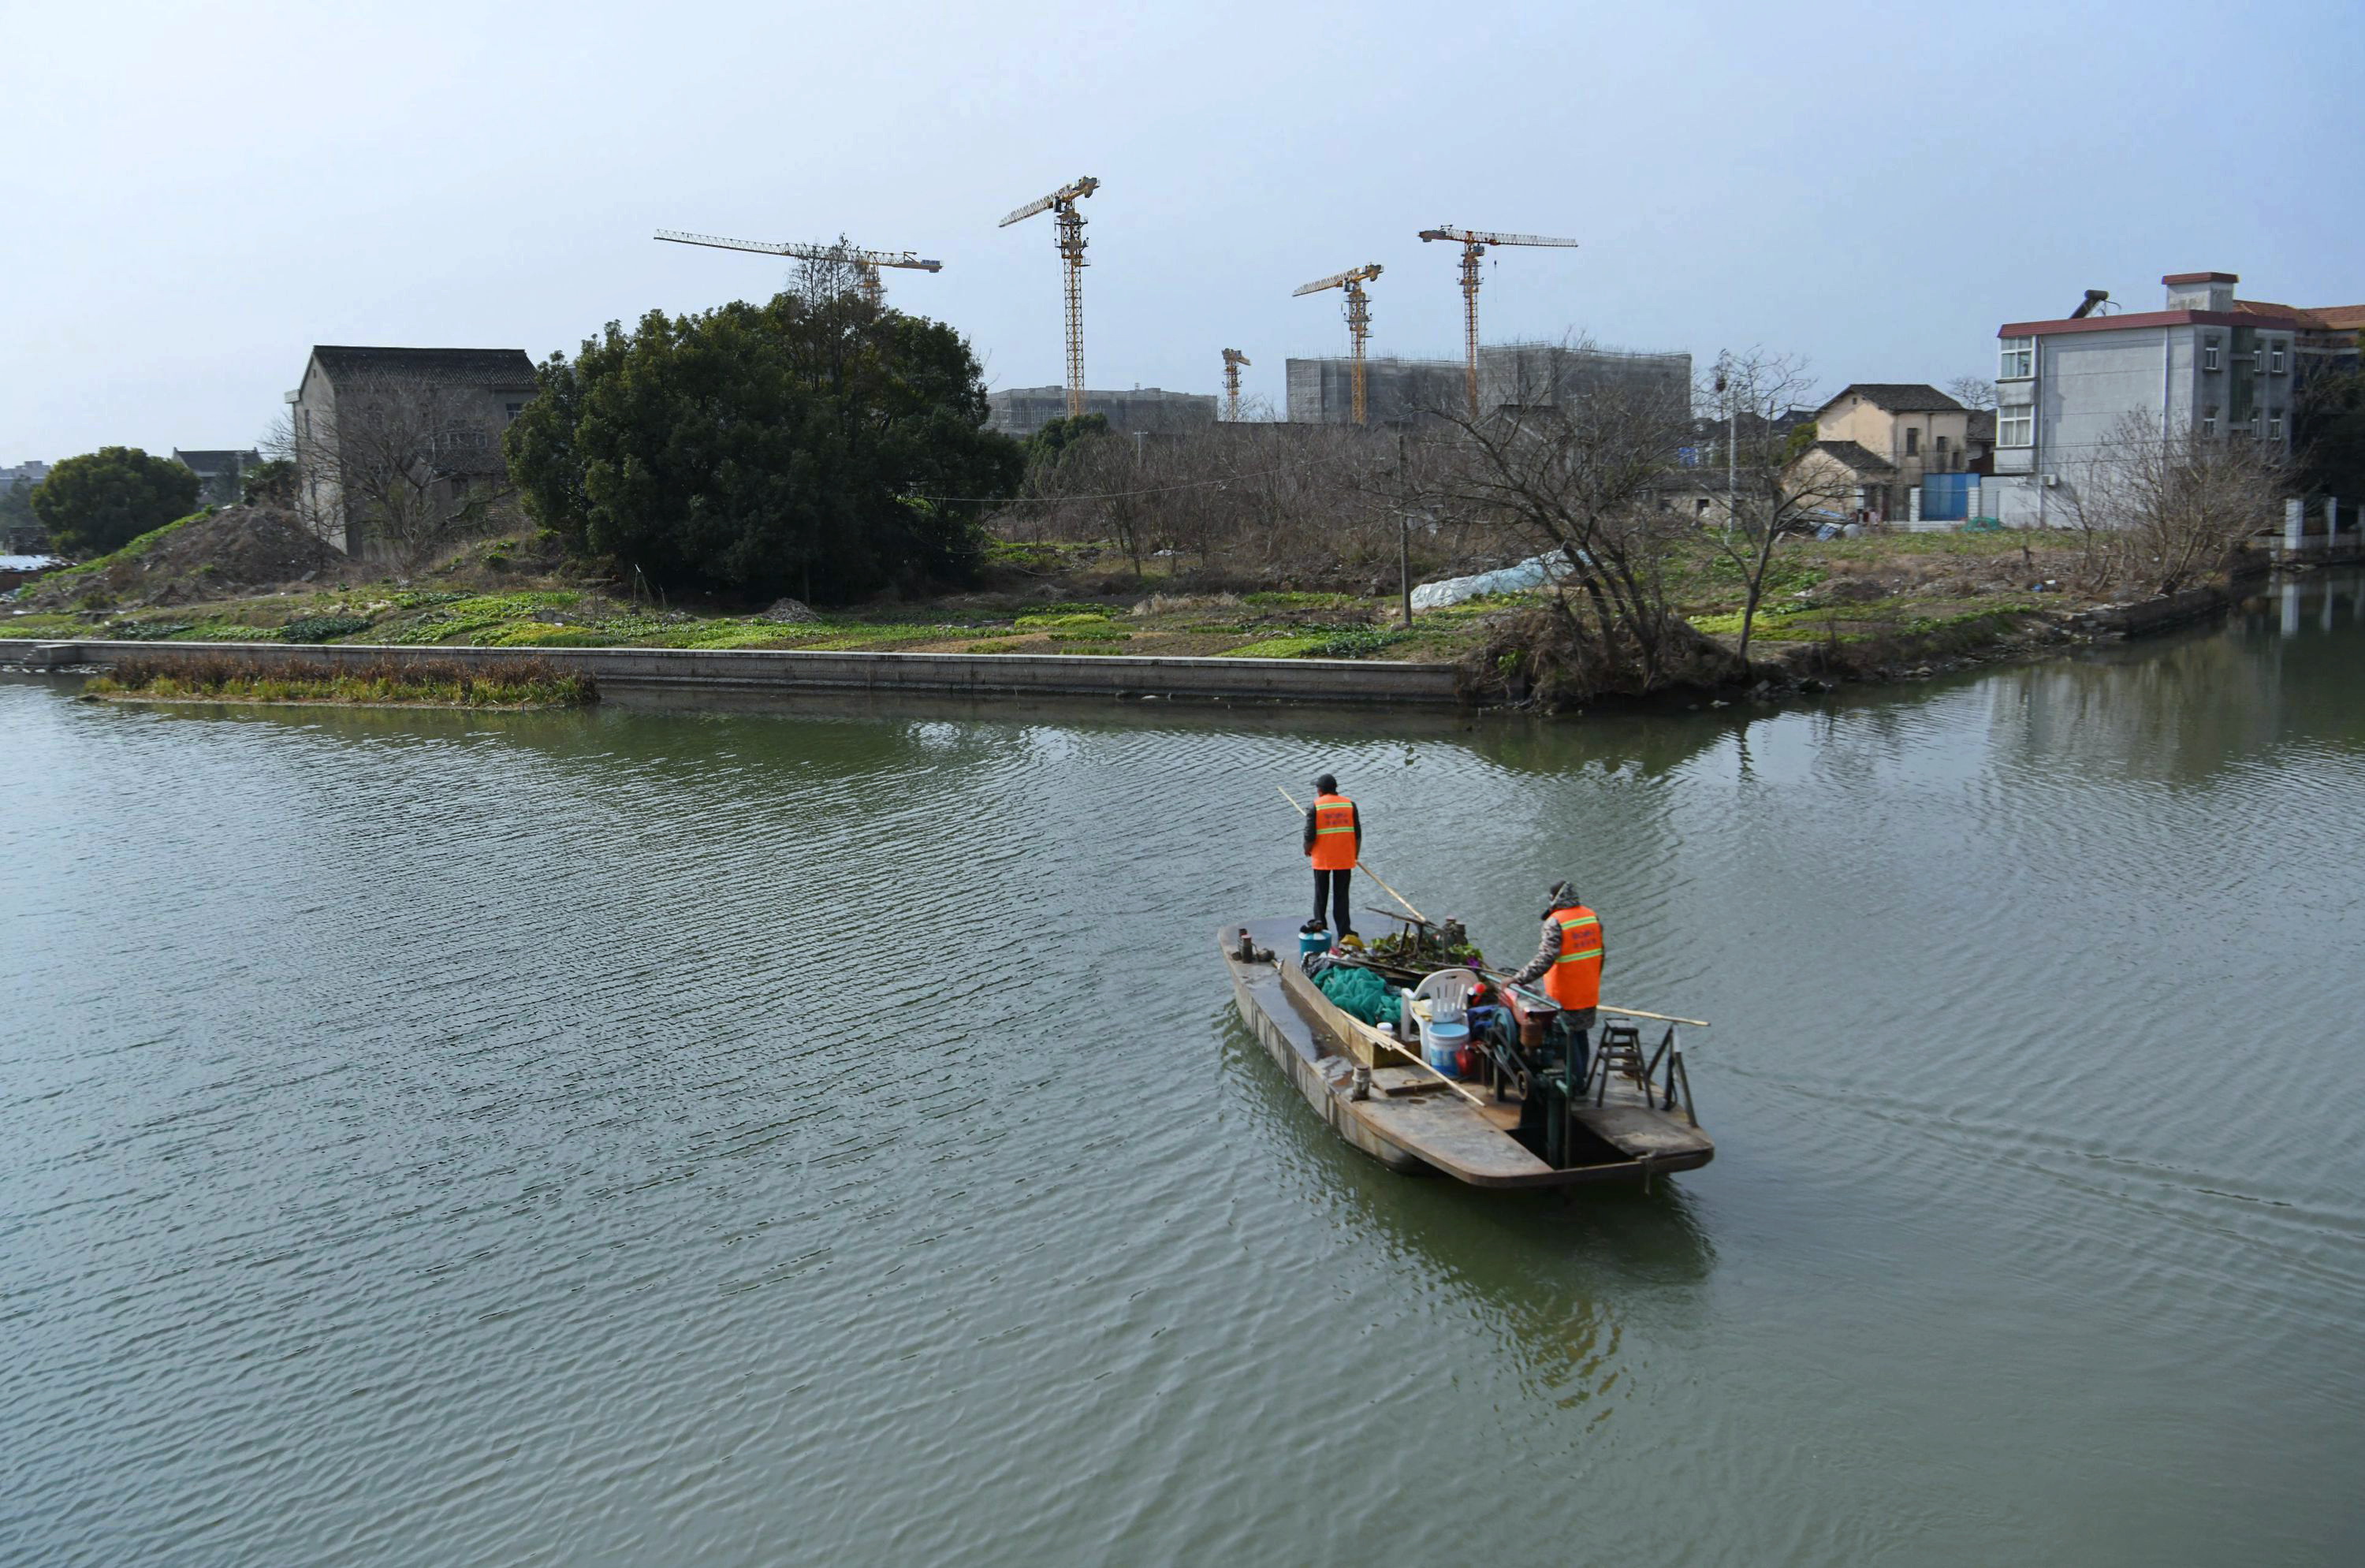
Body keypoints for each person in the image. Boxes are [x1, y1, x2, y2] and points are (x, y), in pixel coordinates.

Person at [1506, 878, 1602, 1083]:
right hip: (1589, 990)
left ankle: (1574, 1084)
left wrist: (1517, 979)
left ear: (1553, 899)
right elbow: (1602, 956)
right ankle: (1582, 1079)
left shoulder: (1556, 921)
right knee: (1580, 1034)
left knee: (1568, 1038)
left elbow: (1545, 959)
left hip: (1565, 994)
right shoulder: (1592, 917)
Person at [1301, 773, 1361, 940]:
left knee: (1321, 894)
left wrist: (1307, 849)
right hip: (1344, 857)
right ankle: (1344, 931)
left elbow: (1309, 835)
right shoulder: (1349, 805)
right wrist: (1355, 854)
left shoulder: (1315, 806)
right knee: (1341, 896)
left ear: (1320, 791)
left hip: (1323, 858)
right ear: (1335, 789)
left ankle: (1320, 925)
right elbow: (1357, 834)